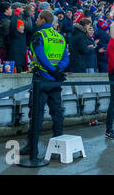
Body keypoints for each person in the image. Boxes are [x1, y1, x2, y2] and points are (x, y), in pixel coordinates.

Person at [20, 10, 69, 155]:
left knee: (36, 113)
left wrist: (51, 69)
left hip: (41, 78)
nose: (35, 21)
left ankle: (32, 147)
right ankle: (58, 143)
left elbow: (40, 55)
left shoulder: (39, 34)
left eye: (37, 19)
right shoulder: (60, 36)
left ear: (42, 19)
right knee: (57, 112)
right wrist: (58, 70)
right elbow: (66, 57)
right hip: (55, 80)